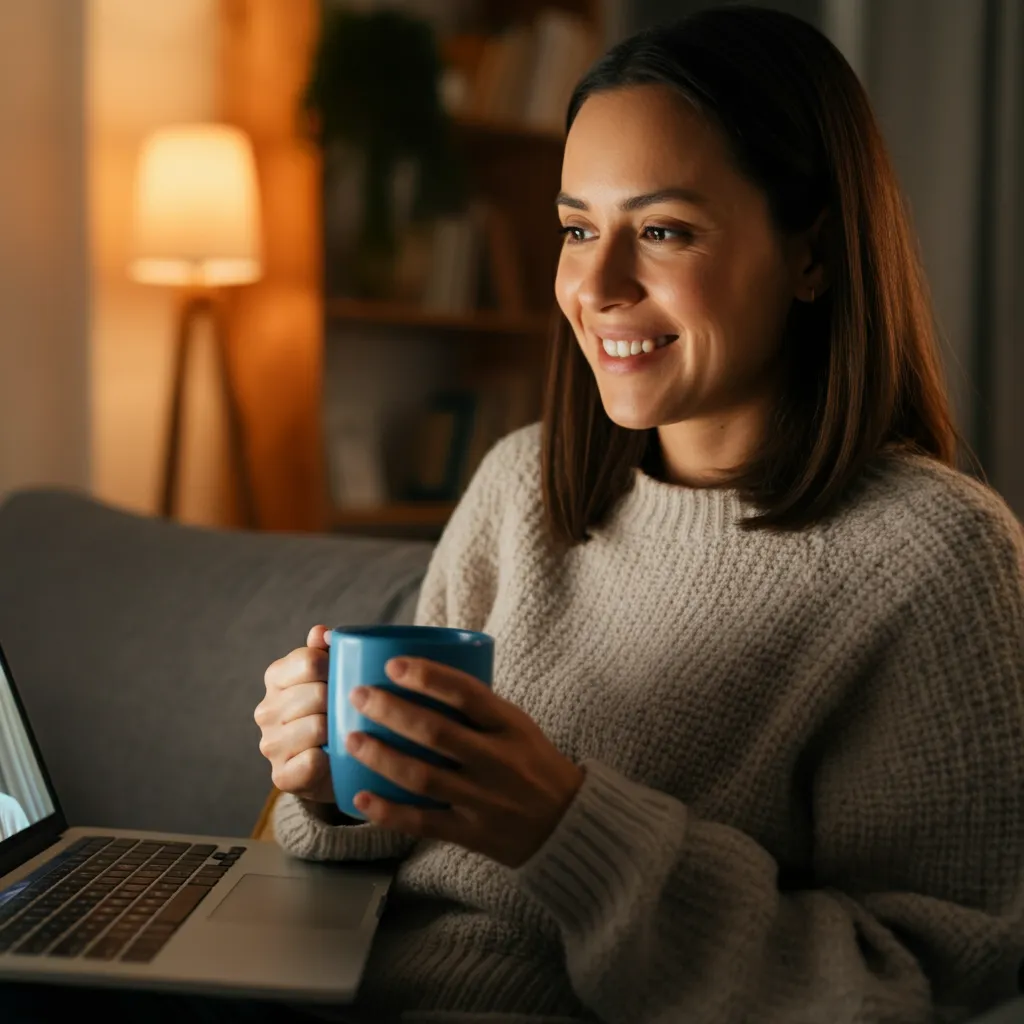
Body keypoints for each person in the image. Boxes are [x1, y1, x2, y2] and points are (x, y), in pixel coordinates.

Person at [5, 6, 1023, 1023]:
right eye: (578, 228)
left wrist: (564, 825)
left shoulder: (933, 559)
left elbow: (915, 985)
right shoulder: (523, 484)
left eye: (663, 231)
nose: (596, 284)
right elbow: (380, 832)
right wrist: (328, 779)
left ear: (812, 255)